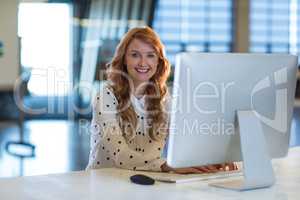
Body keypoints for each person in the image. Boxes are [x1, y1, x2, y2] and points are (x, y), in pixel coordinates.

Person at [86, 26, 237, 173]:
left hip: (144, 181)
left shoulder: (163, 99)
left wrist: (216, 156)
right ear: (124, 59)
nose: (143, 63)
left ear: (158, 61)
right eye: (135, 55)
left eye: (150, 55)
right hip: (104, 182)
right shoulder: (106, 96)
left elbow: (186, 139)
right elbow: (120, 155)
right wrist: (166, 166)